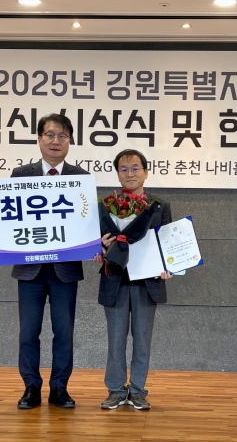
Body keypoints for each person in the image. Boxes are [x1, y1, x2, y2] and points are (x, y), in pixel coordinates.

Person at [0, 113, 95, 410]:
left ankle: (59, 388)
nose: (56, 141)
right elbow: (6, 217)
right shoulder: (21, 174)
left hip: (65, 271)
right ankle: (31, 387)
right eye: (50, 135)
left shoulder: (80, 178)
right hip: (30, 270)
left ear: (70, 142)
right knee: (28, 333)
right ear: (39, 139)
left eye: (62, 136)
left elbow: (87, 221)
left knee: (64, 333)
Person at [96, 149, 173, 411]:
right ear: (118, 174)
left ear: (146, 172)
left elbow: (167, 243)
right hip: (115, 280)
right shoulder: (105, 205)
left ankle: (138, 390)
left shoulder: (159, 206)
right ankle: (116, 390)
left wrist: (168, 266)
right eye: (124, 169)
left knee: (142, 339)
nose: (130, 173)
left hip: (148, 282)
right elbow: (95, 242)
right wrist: (100, 248)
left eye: (135, 168)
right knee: (115, 340)